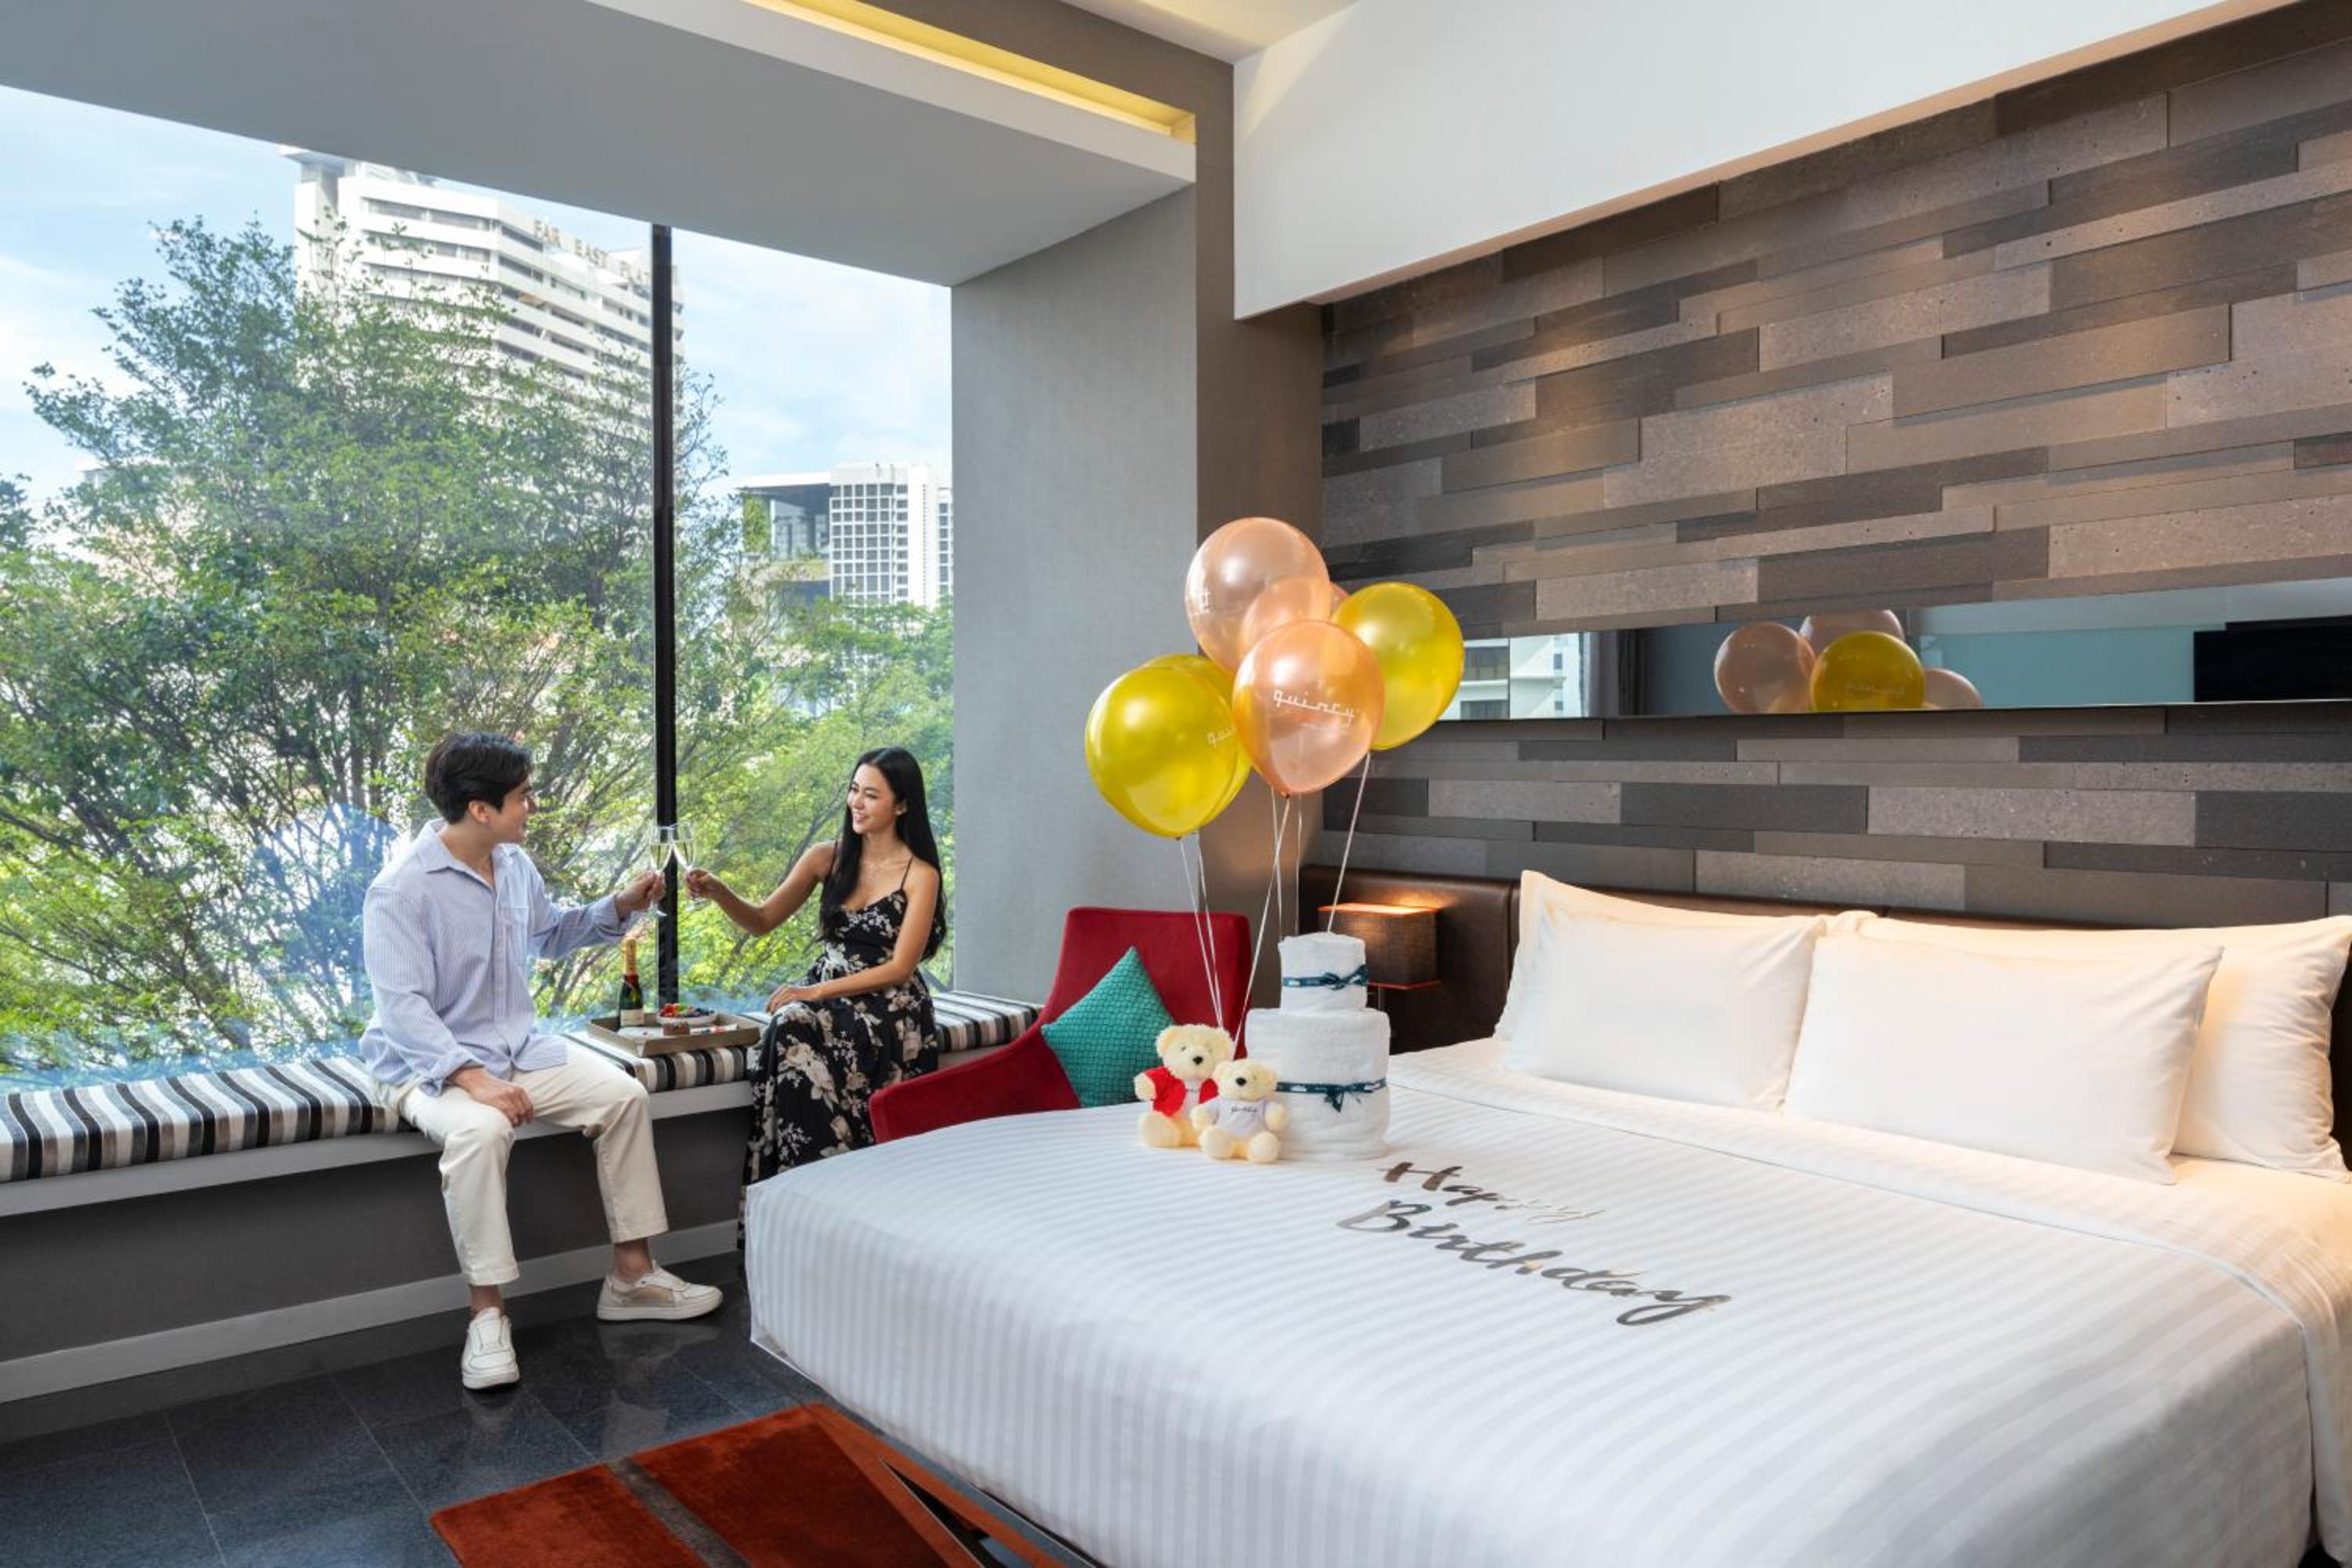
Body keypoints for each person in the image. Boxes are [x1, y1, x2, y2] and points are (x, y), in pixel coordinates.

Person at [361, 731, 723, 1391]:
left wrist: (621, 906)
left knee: (624, 1096)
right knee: (481, 1131)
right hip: (425, 1066)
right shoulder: (401, 890)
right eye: (523, 797)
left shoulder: (512, 865)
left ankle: (632, 1278)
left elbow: (551, 933)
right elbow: (403, 1010)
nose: (532, 806)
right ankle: (487, 1315)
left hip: (514, 1051)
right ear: (480, 809)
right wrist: (474, 1080)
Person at [685, 746, 945, 1213]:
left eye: (871, 795)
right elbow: (762, 920)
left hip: (890, 1006)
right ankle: (806, 1199)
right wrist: (720, 891)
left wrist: (813, 992)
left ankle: (828, 1198)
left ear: (902, 805)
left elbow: (900, 968)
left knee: (793, 1023)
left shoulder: (920, 874)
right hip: (829, 998)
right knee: (790, 1026)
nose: (856, 803)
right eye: (854, 790)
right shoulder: (827, 857)